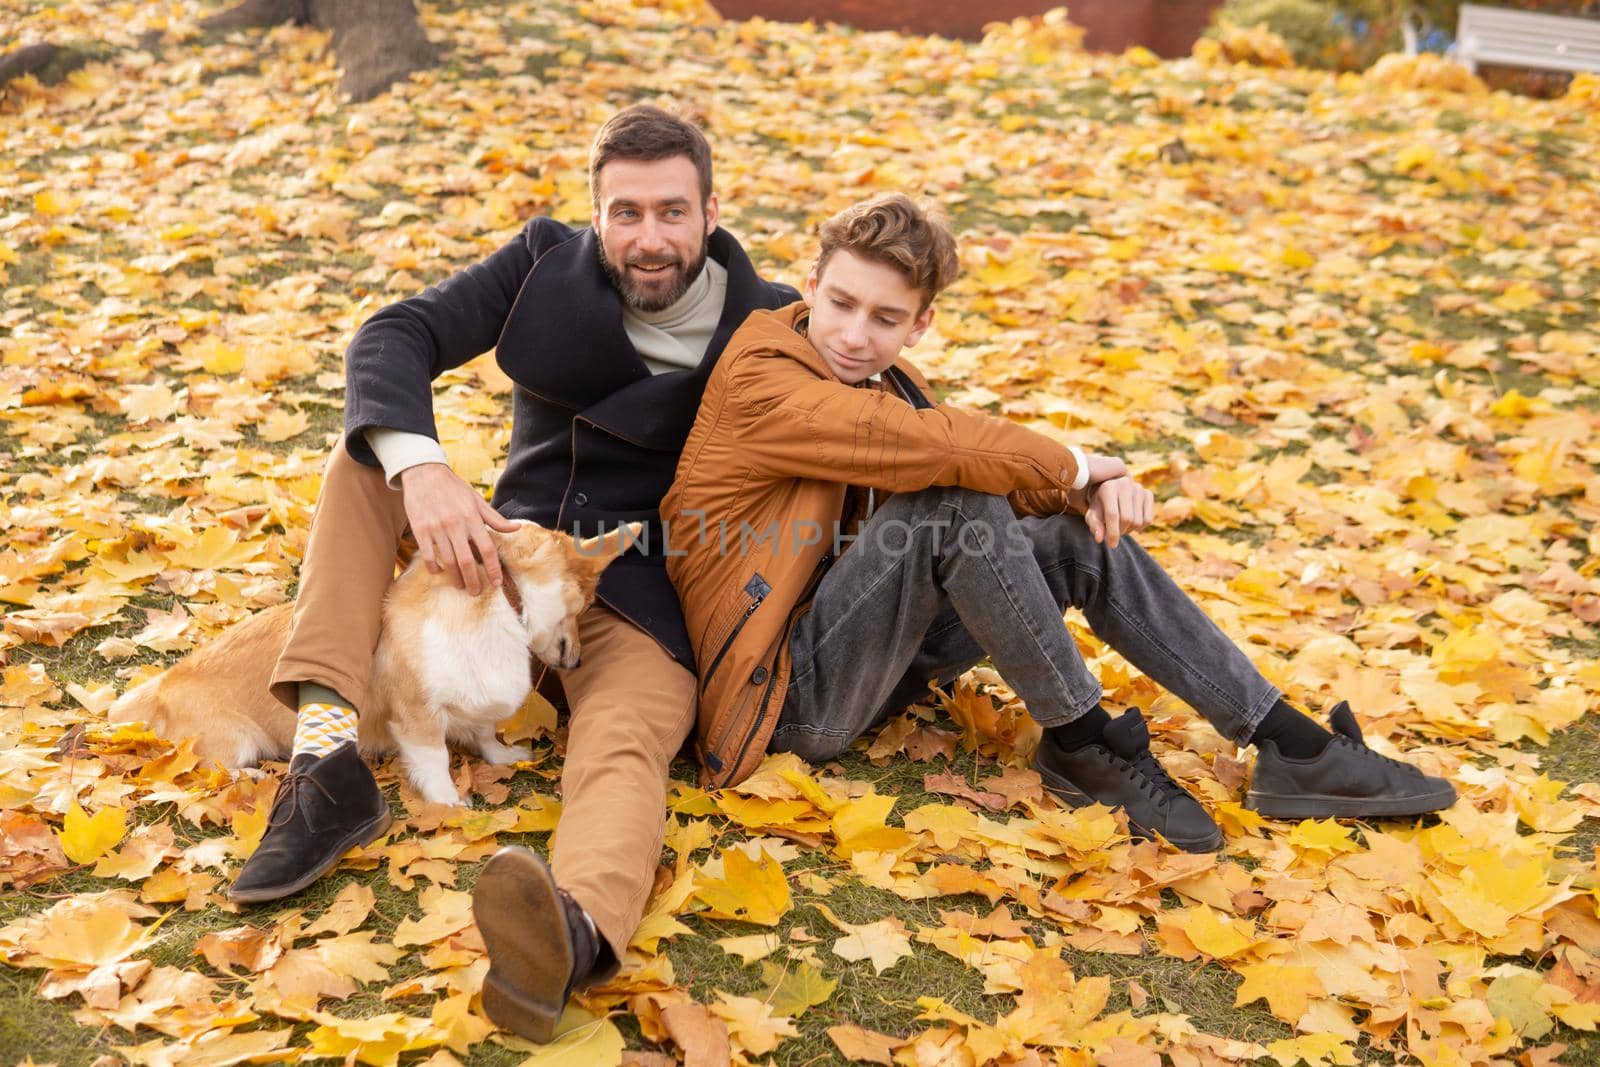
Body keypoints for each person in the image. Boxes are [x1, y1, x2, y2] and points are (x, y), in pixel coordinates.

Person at [226, 104, 799, 1043]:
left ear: (711, 211)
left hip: (634, 596)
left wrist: (1062, 474)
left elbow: (896, 414)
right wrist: (427, 471)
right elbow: (393, 332)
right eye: (625, 213)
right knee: (363, 460)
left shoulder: (772, 318)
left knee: (623, 745)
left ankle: (568, 934)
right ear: (595, 212)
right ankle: (323, 762)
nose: (648, 238)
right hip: (495, 557)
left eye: (670, 212)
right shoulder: (541, 262)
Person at [663, 193, 1455, 852]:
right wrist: (1077, 466)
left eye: (884, 317)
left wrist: (1082, 496)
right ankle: (1080, 739)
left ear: (921, 324)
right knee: (950, 500)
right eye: (839, 303)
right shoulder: (761, 373)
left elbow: (964, 461)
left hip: (879, 659)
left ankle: (1290, 743)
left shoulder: (895, 378)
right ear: (809, 284)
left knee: (1069, 538)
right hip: (785, 697)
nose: (853, 332)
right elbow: (924, 451)